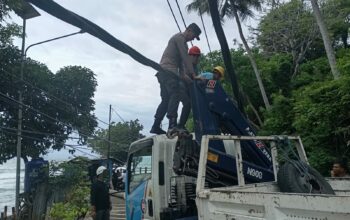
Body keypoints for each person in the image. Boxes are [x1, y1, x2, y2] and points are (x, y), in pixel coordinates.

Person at [150, 23, 202, 135]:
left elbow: (182, 71)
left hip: (163, 73)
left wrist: (192, 81)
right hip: (168, 72)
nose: (193, 38)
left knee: (166, 100)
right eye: (194, 35)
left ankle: (156, 125)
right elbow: (185, 57)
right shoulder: (180, 39)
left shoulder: (180, 43)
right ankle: (173, 125)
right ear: (188, 30)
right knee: (176, 93)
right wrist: (194, 74)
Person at [177, 46, 201, 130]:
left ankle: (184, 125)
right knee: (187, 104)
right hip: (180, 86)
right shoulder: (185, 63)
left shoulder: (195, 67)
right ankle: (179, 125)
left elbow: (195, 80)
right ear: (191, 56)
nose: (197, 58)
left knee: (194, 105)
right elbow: (183, 75)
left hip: (188, 88)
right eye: (196, 56)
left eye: (198, 56)